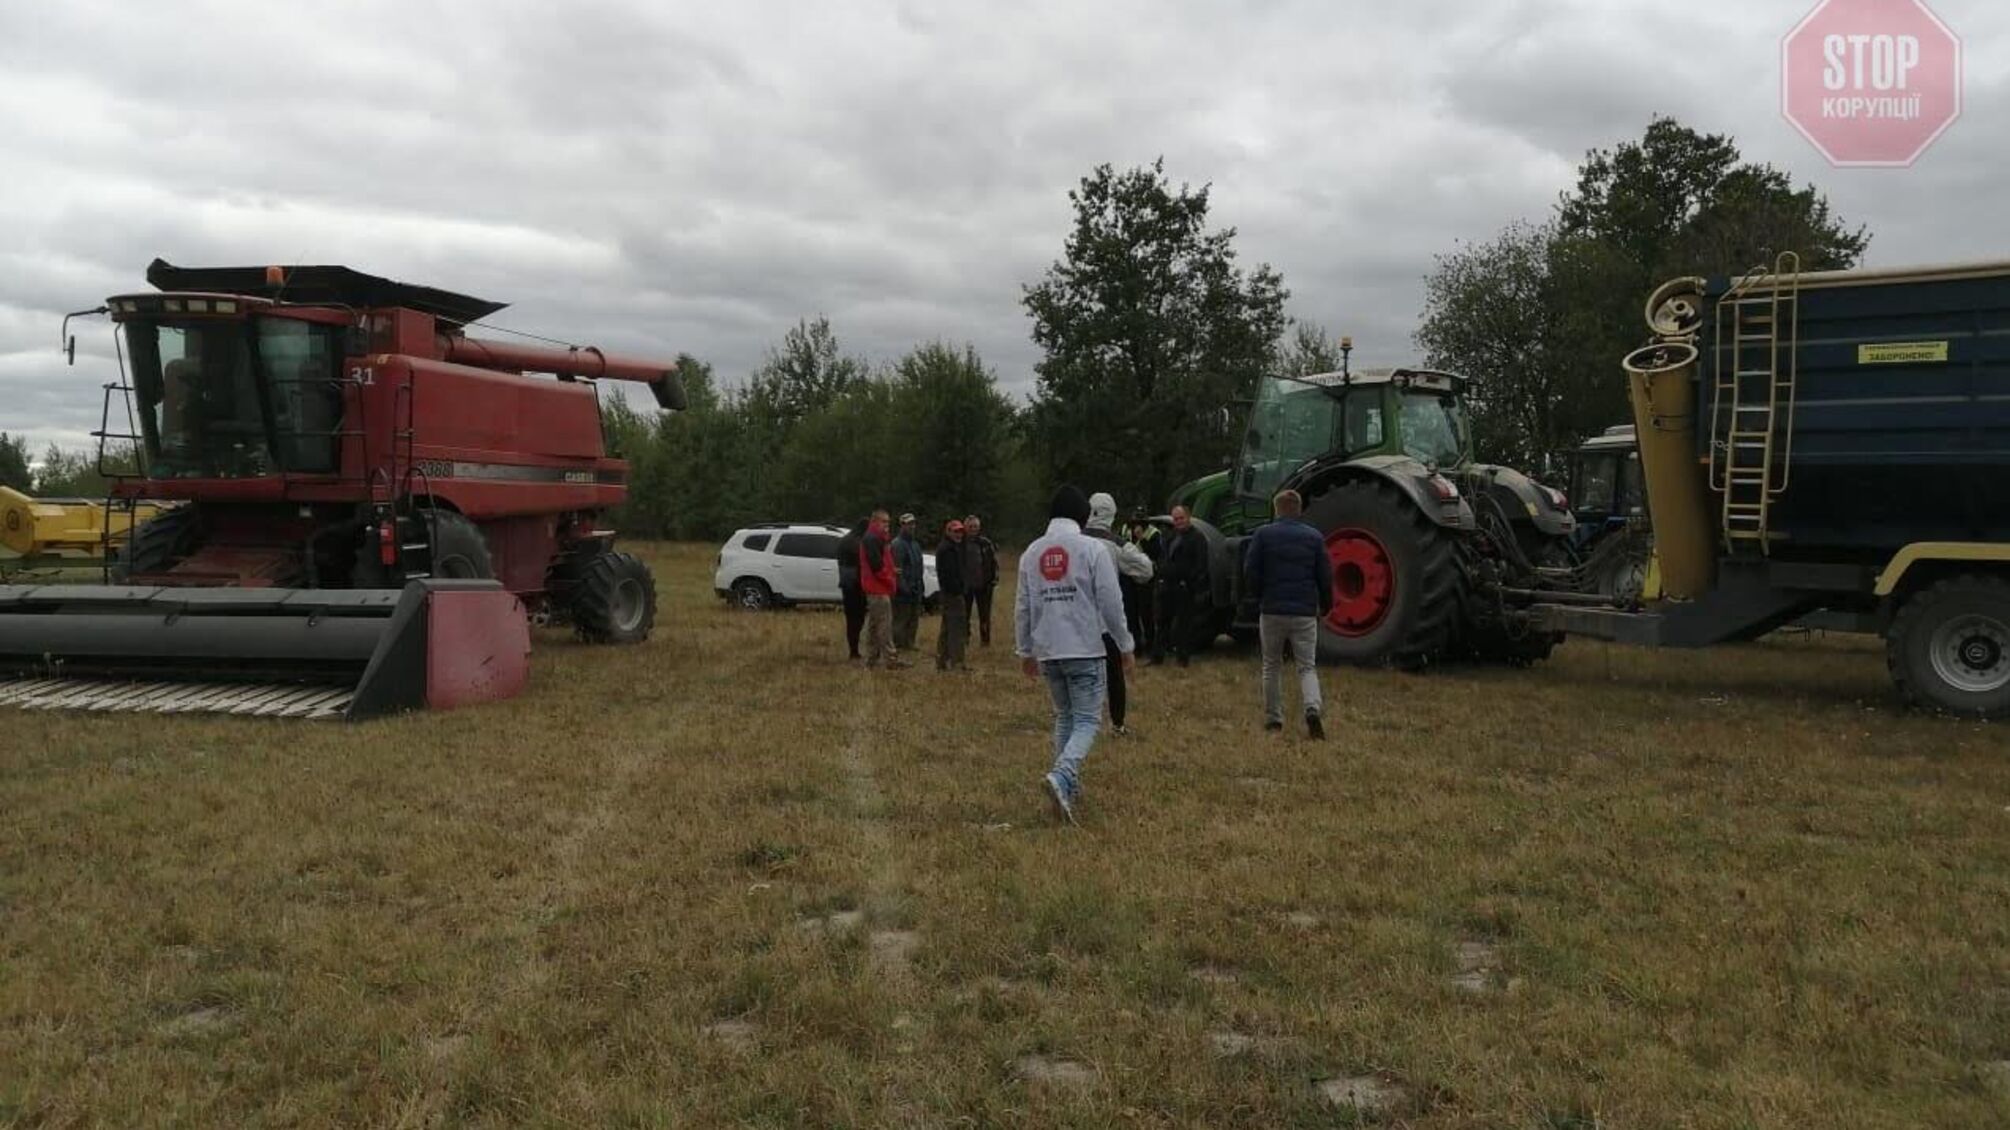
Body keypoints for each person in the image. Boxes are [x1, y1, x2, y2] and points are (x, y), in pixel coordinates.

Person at [1015, 485, 1134, 825]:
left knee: (1065, 715)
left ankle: (1067, 785)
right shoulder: (1092, 549)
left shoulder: (1032, 552)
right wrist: (1125, 644)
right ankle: (1063, 775)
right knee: (1087, 719)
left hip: (1049, 650)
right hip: (1084, 647)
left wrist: (1025, 649)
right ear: (1084, 517)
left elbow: (1023, 606)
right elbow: (1111, 602)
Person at [1242, 489, 1334, 739]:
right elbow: (1325, 576)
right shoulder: (1314, 538)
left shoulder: (1263, 534)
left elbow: (1250, 569)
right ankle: (1312, 709)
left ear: (1276, 509)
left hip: (1272, 610)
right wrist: (1326, 604)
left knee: (1271, 665)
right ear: (1299, 509)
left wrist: (1257, 596)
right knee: (1307, 667)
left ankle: (1274, 720)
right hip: (1304, 612)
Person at [1084, 492, 1154, 736]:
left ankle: (1080, 720)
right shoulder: (1115, 543)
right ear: (1112, 515)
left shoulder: (1070, 540)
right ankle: (1117, 724)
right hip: (1105, 620)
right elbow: (1146, 569)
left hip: (1075, 621)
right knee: (1114, 674)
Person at [1150, 505, 1210, 667]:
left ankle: (1183, 659)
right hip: (1167, 586)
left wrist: (1190, 581)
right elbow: (1164, 558)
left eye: (1181, 518)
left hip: (1185, 588)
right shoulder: (1170, 536)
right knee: (1162, 623)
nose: (1178, 522)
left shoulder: (1197, 538)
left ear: (1188, 518)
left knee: (1183, 626)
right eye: (1175, 519)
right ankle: (1157, 657)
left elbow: (1201, 564)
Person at [859, 509, 906, 668]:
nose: (886, 525)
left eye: (887, 522)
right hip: (878, 588)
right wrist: (889, 578)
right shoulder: (872, 539)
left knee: (874, 625)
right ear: (874, 522)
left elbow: (880, 562)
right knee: (884, 625)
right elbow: (876, 566)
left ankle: (871, 659)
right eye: (883, 522)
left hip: (876, 587)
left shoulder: (876, 538)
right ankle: (891, 660)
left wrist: (892, 570)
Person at [934, 518, 972, 671]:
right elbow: (950, 575)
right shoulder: (947, 550)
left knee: (947, 628)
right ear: (948, 532)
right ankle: (957, 663)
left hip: (950, 594)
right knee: (957, 629)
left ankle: (941, 661)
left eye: (961, 531)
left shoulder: (953, 547)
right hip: (953, 595)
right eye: (955, 531)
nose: (959, 534)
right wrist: (959, 590)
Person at [1126, 509, 1162, 657]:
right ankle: (1136, 646)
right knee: (1131, 613)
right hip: (1129, 575)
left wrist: (1141, 538)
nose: (1137, 526)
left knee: (1146, 614)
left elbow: (1155, 554)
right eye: (1135, 523)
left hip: (1147, 578)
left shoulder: (1154, 533)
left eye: (1140, 523)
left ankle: (1150, 644)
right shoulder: (1125, 530)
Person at [891, 513, 926, 651]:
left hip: (916, 587)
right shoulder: (897, 544)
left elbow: (919, 566)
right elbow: (896, 569)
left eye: (913, 524)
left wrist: (920, 586)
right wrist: (903, 587)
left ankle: (909, 643)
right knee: (901, 619)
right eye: (908, 524)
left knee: (914, 618)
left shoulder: (915, 544)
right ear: (902, 526)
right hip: (902, 590)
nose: (912, 526)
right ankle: (898, 645)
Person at [836, 516, 868, 662]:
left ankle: (853, 649)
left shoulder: (844, 540)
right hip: (856, 585)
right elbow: (863, 564)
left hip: (846, 584)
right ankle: (854, 650)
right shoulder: (857, 543)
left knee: (851, 619)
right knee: (858, 618)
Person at [964, 515, 1000, 646]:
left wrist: (994, 579)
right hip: (966, 586)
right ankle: (965, 639)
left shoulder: (986, 543)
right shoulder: (960, 543)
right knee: (964, 615)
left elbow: (994, 563)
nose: (973, 529)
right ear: (965, 527)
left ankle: (985, 641)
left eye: (975, 526)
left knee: (984, 616)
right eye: (970, 526)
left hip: (984, 586)